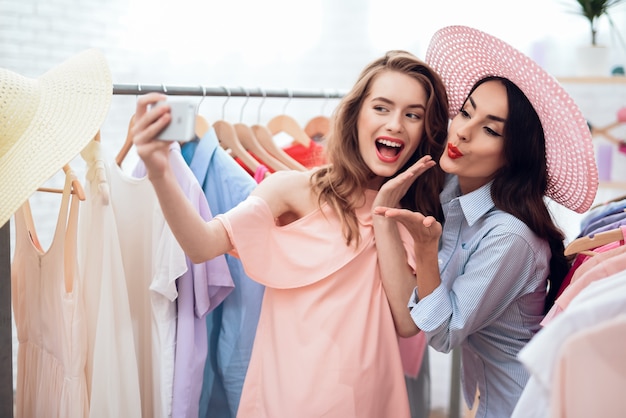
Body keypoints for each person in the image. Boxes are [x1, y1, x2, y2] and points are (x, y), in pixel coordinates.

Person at [131, 50, 450, 418]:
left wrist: (384, 216)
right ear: (356, 115)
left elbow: (408, 323)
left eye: (412, 115)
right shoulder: (291, 190)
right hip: (288, 398)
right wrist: (159, 171)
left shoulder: (409, 217)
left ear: (424, 133)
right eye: (381, 108)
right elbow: (202, 244)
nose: (396, 124)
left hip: (369, 399)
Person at [374, 26, 598, 418]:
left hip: (520, 405)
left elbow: (443, 334)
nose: (462, 131)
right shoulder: (454, 188)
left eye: (490, 129)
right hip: (486, 397)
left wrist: (426, 253)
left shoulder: (510, 236)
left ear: (513, 155)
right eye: (466, 111)